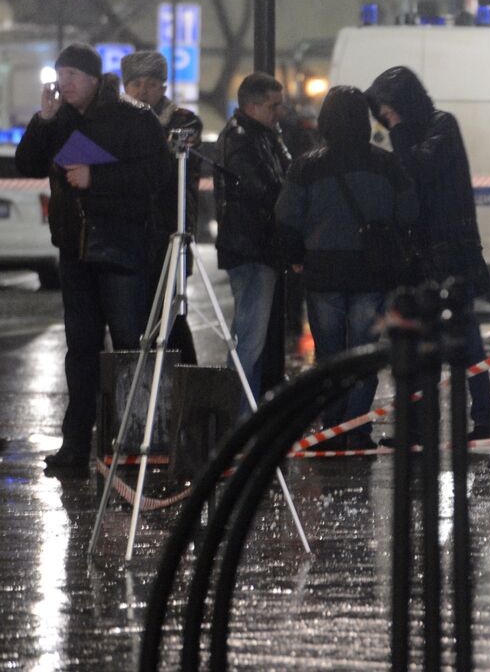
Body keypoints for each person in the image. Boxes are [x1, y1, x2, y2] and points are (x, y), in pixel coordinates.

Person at [15, 43, 168, 471]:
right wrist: (42, 121)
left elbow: (154, 176)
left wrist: (96, 178)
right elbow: (27, 164)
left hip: (120, 246)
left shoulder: (132, 117)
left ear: (96, 80)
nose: (65, 83)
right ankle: (76, 445)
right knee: (80, 349)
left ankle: (135, 442)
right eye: (61, 74)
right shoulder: (58, 119)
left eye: (74, 76)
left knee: (127, 347)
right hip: (75, 248)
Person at [275, 86, 417, 450]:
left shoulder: (307, 165)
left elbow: (286, 218)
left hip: (322, 272)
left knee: (329, 357)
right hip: (372, 272)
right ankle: (355, 429)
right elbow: (409, 214)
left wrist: (295, 256)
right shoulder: (386, 164)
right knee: (364, 354)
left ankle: (331, 429)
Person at [365, 65, 490, 442]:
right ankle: (422, 425)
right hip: (422, 253)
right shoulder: (411, 131)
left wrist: (399, 130)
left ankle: (484, 418)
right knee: (420, 341)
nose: (386, 117)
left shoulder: (442, 125)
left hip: (451, 251)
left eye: (390, 108)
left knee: (466, 339)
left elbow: (418, 169)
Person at [121, 49, 202, 365]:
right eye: (135, 83)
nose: (142, 91)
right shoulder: (117, 121)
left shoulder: (184, 121)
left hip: (170, 232)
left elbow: (169, 172)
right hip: (129, 235)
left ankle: (187, 388)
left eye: (150, 83)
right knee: (132, 322)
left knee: (172, 319)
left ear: (163, 87)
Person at [214, 72, 290, 407]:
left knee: (251, 337)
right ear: (253, 106)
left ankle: (247, 410)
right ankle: (240, 416)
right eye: (274, 106)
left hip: (255, 246)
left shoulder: (259, 134)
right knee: (250, 339)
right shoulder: (244, 139)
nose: (279, 113)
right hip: (252, 248)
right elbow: (264, 187)